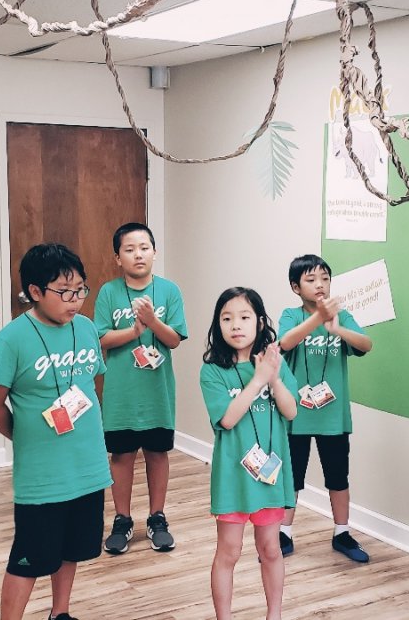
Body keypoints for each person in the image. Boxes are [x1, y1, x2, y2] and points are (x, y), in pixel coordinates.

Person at [0, 244, 110, 620]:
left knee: (72, 549)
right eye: (64, 292)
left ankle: (60, 612)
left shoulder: (86, 328)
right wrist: (24, 436)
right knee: (28, 559)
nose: (75, 300)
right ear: (35, 291)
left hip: (88, 467)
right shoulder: (11, 339)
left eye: (80, 290)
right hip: (42, 476)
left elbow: (91, 384)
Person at [199, 287, 298, 620]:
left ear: (260, 322)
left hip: (269, 477)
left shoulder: (274, 364)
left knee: (270, 549)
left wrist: (274, 379)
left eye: (244, 317)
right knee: (229, 551)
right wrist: (258, 381)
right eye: (226, 318)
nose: (236, 325)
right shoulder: (213, 370)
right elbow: (227, 419)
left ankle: (275, 614)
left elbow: (291, 411)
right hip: (233, 477)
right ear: (218, 325)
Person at [94, 223, 187, 554]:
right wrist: (134, 331)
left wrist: (152, 320)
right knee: (121, 456)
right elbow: (101, 338)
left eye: (144, 247)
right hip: (121, 394)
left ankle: (157, 518)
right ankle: (122, 519)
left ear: (154, 252)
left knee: (157, 454)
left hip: (157, 393)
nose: (138, 254)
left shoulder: (169, 291)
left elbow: (174, 340)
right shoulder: (108, 292)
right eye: (129, 249)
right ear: (117, 257)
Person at [276, 255, 373, 562]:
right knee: (292, 477)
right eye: (311, 279)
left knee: (338, 477)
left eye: (325, 278)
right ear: (296, 287)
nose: (320, 284)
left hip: (333, 417)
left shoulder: (342, 316)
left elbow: (365, 344)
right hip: (297, 416)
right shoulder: (291, 315)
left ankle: (342, 532)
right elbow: (285, 343)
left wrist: (337, 329)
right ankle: (284, 532)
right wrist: (318, 319)